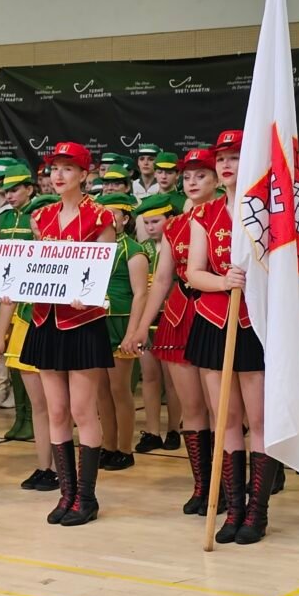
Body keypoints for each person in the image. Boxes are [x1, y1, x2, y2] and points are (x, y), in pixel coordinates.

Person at [185, 129, 280, 545]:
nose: (226, 165)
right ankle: (234, 508)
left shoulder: (269, 213)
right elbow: (193, 273)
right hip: (214, 322)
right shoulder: (203, 215)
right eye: (221, 158)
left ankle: (258, 512)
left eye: (235, 157)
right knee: (226, 419)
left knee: (258, 420)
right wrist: (223, 282)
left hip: (253, 322)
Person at [20, 141, 116, 526]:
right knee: (56, 410)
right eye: (53, 169)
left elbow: (104, 271)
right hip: (45, 321)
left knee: (82, 410)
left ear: (84, 174)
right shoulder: (40, 217)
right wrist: (16, 286)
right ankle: (67, 494)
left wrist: (87, 292)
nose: (58, 175)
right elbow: (36, 268)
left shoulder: (100, 217)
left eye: (67, 168)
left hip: (83, 323)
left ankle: (87, 498)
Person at [127, 148, 221, 515]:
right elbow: (163, 279)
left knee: (221, 410)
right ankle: (202, 485)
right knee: (192, 408)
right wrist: (140, 327)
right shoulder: (176, 225)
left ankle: (226, 484)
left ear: (216, 179)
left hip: (217, 316)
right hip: (179, 318)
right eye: (188, 176)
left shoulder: (229, 218)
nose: (193, 182)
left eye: (202, 175)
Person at [0, 166, 56, 490]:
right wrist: (1, 336)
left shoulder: (64, 244)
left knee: (60, 407)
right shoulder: (10, 228)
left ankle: (64, 470)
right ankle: (45, 467)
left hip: (56, 323)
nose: (39, 226)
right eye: (37, 221)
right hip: (26, 319)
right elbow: (10, 289)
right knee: (40, 405)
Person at [95, 193, 148, 470]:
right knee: (101, 391)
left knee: (119, 389)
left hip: (120, 323)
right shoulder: (92, 246)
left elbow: (141, 294)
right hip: (95, 322)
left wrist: (132, 332)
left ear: (125, 219)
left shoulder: (133, 250)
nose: (105, 219)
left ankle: (125, 449)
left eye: (112, 214)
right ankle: (108, 445)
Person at [131, 192, 184, 453]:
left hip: (171, 318)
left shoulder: (179, 246)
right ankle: (152, 431)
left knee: (172, 379)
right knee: (150, 377)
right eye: (147, 223)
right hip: (147, 319)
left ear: (170, 219)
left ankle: (174, 428)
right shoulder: (142, 250)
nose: (151, 227)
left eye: (156, 221)